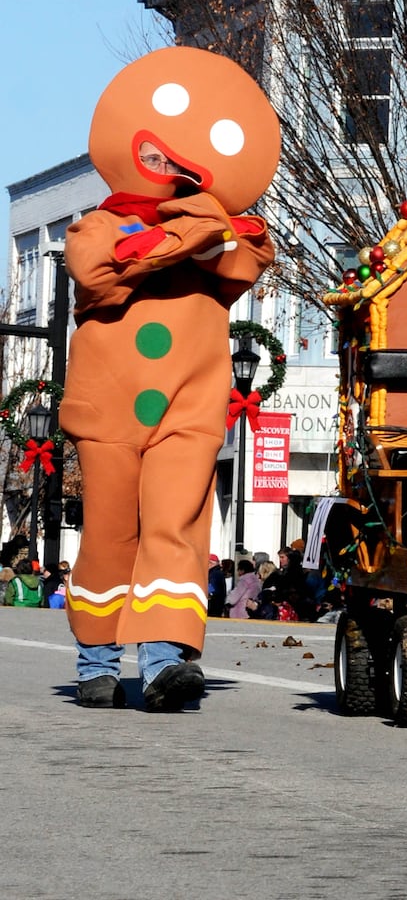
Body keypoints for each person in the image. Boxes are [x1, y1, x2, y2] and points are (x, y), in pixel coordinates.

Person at [58, 46, 280, 710]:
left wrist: (199, 225)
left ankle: (163, 663)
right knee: (109, 533)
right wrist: (191, 230)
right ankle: (97, 655)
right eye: (157, 158)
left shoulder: (229, 230)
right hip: (107, 411)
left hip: (189, 407)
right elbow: (100, 271)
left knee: (176, 528)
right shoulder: (94, 225)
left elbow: (245, 260)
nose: (168, 172)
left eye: (180, 163)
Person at [207, 554, 226, 619]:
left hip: (213, 606)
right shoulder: (218, 572)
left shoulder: (213, 574)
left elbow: (212, 590)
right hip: (218, 605)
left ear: (210, 563)